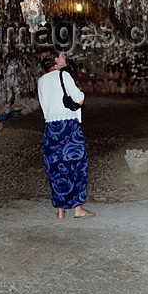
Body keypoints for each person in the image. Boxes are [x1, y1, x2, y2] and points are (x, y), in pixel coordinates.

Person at [37, 52, 95, 219]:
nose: (65, 58)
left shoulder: (41, 81)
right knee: (77, 166)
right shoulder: (64, 75)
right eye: (62, 56)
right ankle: (78, 209)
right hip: (68, 127)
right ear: (56, 60)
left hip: (51, 129)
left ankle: (60, 210)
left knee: (55, 167)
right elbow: (80, 99)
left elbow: (44, 106)